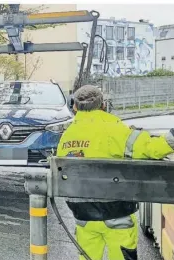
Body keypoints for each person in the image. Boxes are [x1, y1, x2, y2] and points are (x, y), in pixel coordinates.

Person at [57, 85, 174, 260]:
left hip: (83, 215)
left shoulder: (67, 136)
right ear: (103, 105)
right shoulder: (116, 130)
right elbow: (152, 149)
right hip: (117, 213)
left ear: (75, 107)